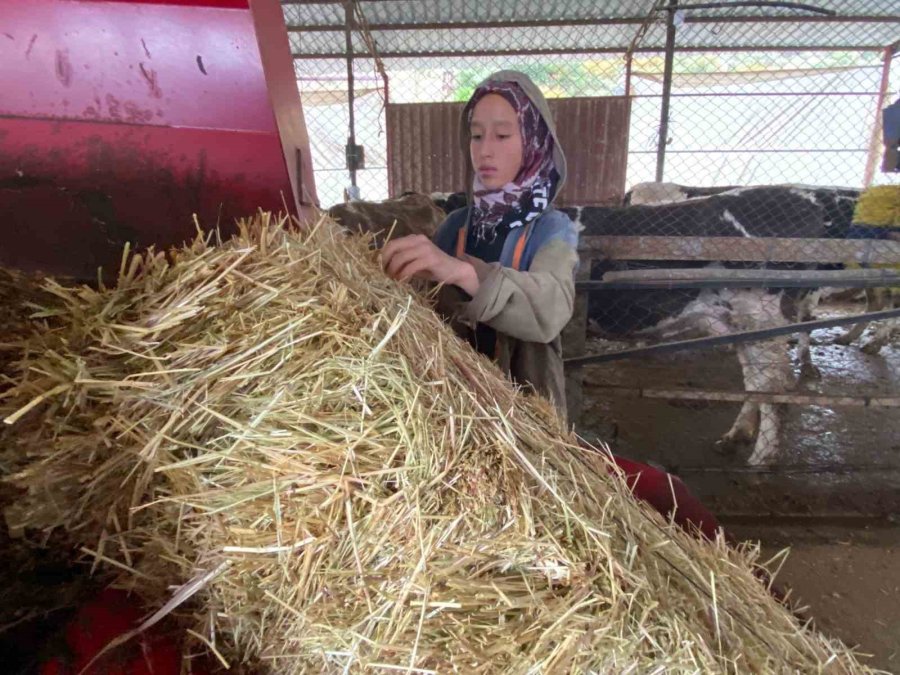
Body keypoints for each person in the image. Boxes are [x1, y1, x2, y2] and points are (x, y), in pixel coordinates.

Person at [381, 70, 579, 420]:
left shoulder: (551, 229)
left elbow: (551, 310)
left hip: (527, 420)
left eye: (502, 135)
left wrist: (463, 272)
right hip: (458, 412)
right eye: (475, 135)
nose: (484, 150)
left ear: (534, 140)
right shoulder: (457, 226)